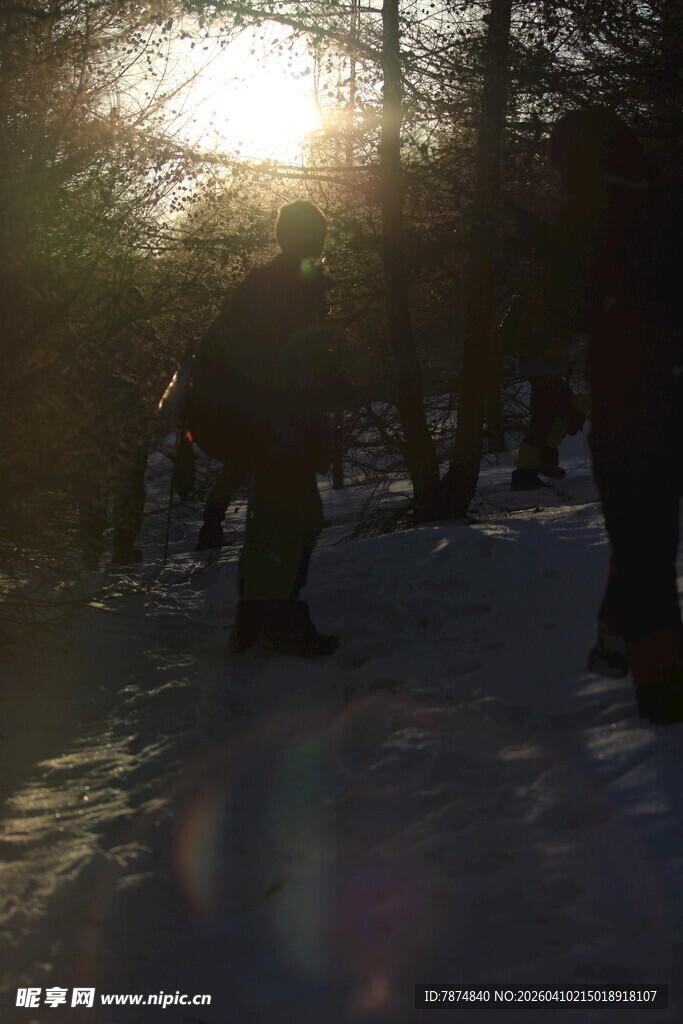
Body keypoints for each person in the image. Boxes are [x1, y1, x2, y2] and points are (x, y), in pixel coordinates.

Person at [544, 107, 682, 723]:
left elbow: (564, 309)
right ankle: (618, 641)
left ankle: (661, 688)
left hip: (630, 402)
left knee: (641, 542)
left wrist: (540, 246)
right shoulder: (664, 206)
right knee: (649, 535)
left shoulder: (586, 214)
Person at [202, 200, 342, 656]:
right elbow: (285, 355)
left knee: (280, 516)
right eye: (313, 232)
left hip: (274, 420)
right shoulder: (289, 285)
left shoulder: (276, 282)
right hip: (279, 422)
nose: (319, 241)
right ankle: (277, 619)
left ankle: (257, 618)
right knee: (290, 517)